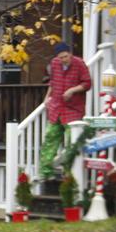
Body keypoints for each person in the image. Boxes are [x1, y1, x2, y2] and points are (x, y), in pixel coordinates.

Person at [40, 42, 91, 180]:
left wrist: (72, 90)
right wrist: (47, 98)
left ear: (70, 54)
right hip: (56, 107)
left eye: (66, 56)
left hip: (73, 109)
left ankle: (68, 173)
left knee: (71, 142)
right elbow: (52, 82)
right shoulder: (55, 63)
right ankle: (45, 172)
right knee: (50, 138)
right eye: (61, 57)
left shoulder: (80, 64)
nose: (63, 59)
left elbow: (87, 83)